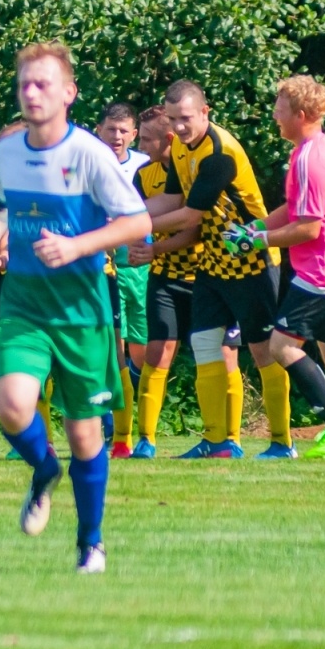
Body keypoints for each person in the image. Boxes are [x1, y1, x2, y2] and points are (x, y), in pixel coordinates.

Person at [0, 43, 152, 573]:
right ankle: (43, 470)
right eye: (24, 83)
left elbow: (136, 223)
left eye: (43, 84)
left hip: (82, 313)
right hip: (24, 306)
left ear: (69, 93)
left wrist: (76, 246)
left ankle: (90, 542)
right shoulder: (7, 151)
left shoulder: (90, 153)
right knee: (10, 407)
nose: (31, 92)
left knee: (85, 433)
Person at [146, 81, 295, 459]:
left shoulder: (220, 153)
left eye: (187, 119)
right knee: (204, 344)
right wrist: (119, 215)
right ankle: (217, 442)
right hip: (212, 260)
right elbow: (171, 199)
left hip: (251, 259)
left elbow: (189, 215)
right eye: (174, 119)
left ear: (205, 112)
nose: (179, 128)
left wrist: (130, 228)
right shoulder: (180, 146)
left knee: (263, 351)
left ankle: (282, 443)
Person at [225, 75, 325, 459]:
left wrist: (255, 241)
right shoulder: (315, 149)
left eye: (280, 108)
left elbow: (308, 228)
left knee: (280, 346)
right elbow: (296, 209)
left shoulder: (309, 158)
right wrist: (257, 226)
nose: (274, 114)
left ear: (301, 114)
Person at [119, 107, 243, 458]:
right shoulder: (145, 175)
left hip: (210, 273)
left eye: (146, 139)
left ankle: (229, 438)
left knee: (224, 355)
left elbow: (194, 227)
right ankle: (146, 440)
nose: (140, 145)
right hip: (165, 277)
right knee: (157, 355)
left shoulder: (197, 166)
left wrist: (152, 244)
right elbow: (138, 214)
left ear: (168, 139)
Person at [94, 103, 150, 453]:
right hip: (103, 267)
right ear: (99, 129)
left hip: (141, 266)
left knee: (142, 352)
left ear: (134, 134)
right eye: (111, 129)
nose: (116, 136)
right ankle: (112, 426)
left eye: (123, 130)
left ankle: (141, 426)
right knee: (111, 349)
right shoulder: (87, 163)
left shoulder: (145, 165)